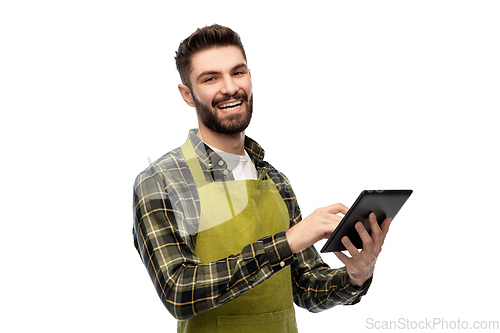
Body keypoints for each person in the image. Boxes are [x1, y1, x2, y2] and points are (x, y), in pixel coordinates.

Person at [132, 24, 392, 333]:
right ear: (187, 94)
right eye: (211, 78)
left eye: (237, 73)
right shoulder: (161, 180)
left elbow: (306, 286)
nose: (229, 88)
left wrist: (356, 276)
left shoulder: (275, 180)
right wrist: (287, 242)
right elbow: (178, 291)